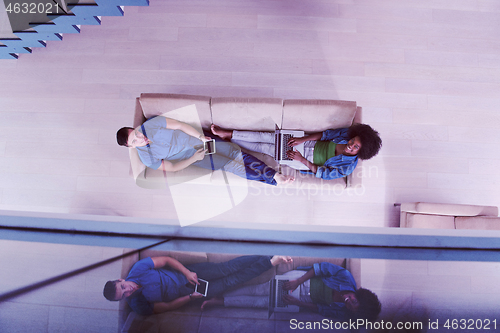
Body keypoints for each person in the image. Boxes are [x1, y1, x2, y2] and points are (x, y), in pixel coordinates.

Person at [116, 116, 294, 186]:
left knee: (234, 152)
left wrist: (200, 137)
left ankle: (274, 177)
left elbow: (180, 125)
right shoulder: (147, 158)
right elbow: (172, 168)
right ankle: (273, 178)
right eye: (135, 141)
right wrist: (193, 158)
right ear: (131, 147)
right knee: (231, 165)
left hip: (198, 140)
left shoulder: (149, 126)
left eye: (137, 133)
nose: (140, 138)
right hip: (194, 157)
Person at [103, 255, 293, 315]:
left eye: (124, 288)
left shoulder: (138, 269)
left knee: (228, 268)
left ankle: (267, 255)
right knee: (232, 281)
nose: (128, 291)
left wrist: (187, 272)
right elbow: (166, 306)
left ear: (121, 280)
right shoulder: (137, 305)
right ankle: (270, 263)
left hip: (191, 274)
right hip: (191, 293)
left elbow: (167, 260)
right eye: (125, 295)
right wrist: (189, 298)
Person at [201, 262, 381, 322]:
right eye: (353, 301)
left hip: (301, 299)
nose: (347, 302)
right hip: (303, 280)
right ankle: (220, 293)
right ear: (360, 295)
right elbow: (319, 268)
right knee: (259, 290)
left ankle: (219, 301)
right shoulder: (345, 276)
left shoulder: (344, 312)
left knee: (261, 303)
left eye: (351, 307)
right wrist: (297, 281)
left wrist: (299, 303)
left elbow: (321, 309)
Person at [210, 123, 382, 180]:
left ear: (361, 152)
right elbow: (326, 134)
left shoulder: (348, 167)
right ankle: (229, 134)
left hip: (304, 158)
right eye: (352, 141)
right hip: (306, 144)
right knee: (267, 136)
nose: (350, 145)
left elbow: (323, 173)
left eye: (355, 147)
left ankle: (230, 139)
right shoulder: (346, 136)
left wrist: (301, 160)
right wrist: (303, 139)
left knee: (266, 148)